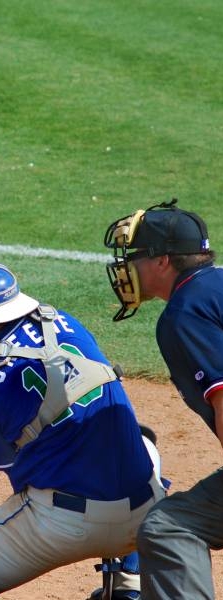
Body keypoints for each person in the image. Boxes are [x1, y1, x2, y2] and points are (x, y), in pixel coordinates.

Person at [0, 261, 167, 600]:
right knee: (142, 440)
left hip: (65, 525)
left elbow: (21, 478)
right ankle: (130, 583)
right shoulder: (65, 322)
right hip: (148, 511)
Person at [104, 199, 223, 599]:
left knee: (168, 527)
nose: (127, 267)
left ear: (161, 261)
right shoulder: (217, 286)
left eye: (134, 257)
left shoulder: (185, 313)